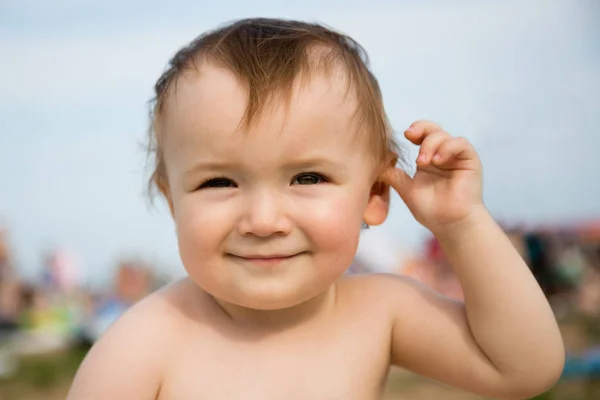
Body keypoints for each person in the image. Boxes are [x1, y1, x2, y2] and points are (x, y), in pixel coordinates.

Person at [68, 18, 564, 399]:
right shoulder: (145, 341)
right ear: (173, 200)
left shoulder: (379, 311)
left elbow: (523, 368)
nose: (263, 221)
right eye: (219, 181)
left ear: (374, 193)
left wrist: (462, 226)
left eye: (308, 177)